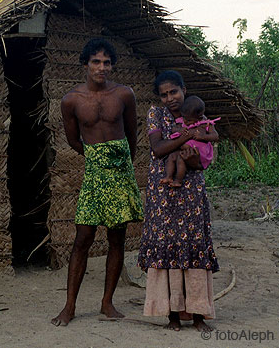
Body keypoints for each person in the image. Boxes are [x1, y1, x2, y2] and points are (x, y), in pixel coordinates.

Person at [51, 38, 143, 326]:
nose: (101, 68)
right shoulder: (71, 100)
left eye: (106, 62)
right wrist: (96, 157)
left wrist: (120, 162)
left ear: (112, 65)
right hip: (95, 173)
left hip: (120, 173)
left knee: (117, 238)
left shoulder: (124, 95)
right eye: (96, 62)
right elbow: (73, 140)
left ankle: (107, 303)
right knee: (83, 238)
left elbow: (132, 135)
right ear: (85, 64)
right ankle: (69, 306)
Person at [138, 70, 219, 332]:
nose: (169, 98)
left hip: (192, 193)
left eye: (173, 92)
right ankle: (171, 315)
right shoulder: (155, 115)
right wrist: (187, 137)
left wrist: (190, 151)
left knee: (195, 247)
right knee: (167, 248)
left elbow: (202, 161)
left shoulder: (199, 116)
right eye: (164, 94)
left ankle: (198, 315)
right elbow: (157, 149)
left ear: (184, 89)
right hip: (163, 193)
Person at [160, 95, 219, 187]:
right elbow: (173, 129)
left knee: (181, 159)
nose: (185, 121)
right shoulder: (184, 120)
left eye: (188, 120)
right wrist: (179, 130)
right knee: (171, 157)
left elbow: (215, 136)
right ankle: (168, 176)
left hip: (198, 152)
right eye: (184, 118)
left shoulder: (206, 124)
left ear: (199, 118)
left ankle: (178, 181)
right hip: (183, 150)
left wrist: (203, 136)